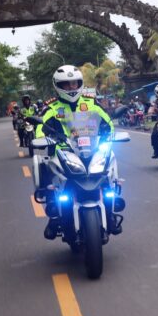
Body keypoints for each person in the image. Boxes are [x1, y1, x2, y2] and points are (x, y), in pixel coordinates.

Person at [35, 65, 116, 239]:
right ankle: (54, 215)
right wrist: (44, 139)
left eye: (74, 83)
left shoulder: (91, 103)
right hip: (64, 152)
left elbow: (108, 123)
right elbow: (41, 129)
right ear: (58, 86)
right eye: (67, 85)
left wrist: (110, 136)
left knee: (110, 165)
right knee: (46, 167)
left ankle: (112, 210)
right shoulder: (52, 108)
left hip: (90, 149)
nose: (72, 88)